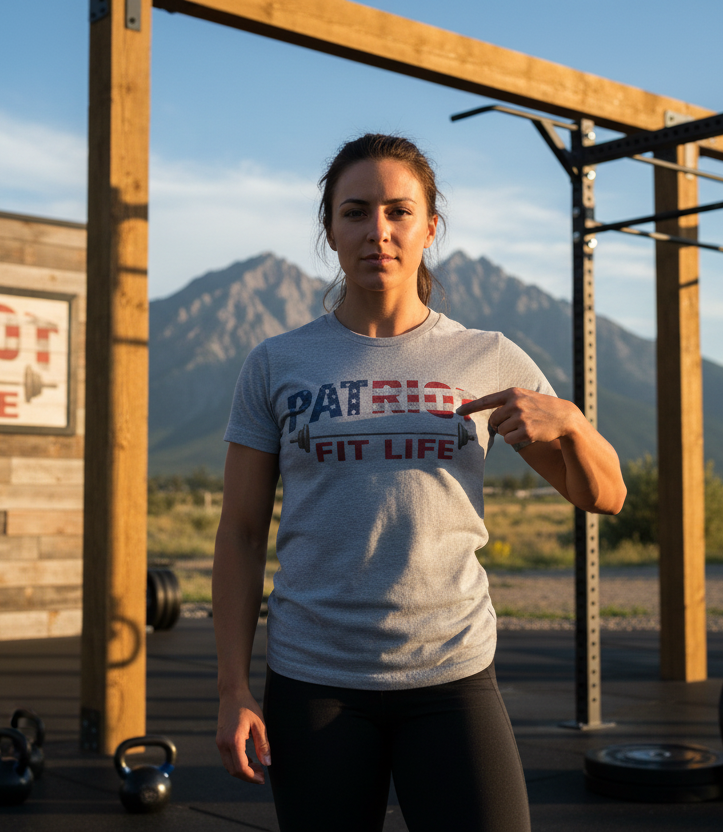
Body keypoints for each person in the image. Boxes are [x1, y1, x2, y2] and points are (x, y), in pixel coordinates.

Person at [213, 133, 626, 832]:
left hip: (452, 673)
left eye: (399, 211)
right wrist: (232, 689)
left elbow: (604, 495)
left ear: (430, 228)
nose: (379, 230)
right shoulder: (276, 363)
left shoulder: (487, 356)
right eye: (356, 211)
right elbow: (242, 531)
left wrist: (573, 424)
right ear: (330, 230)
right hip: (314, 681)